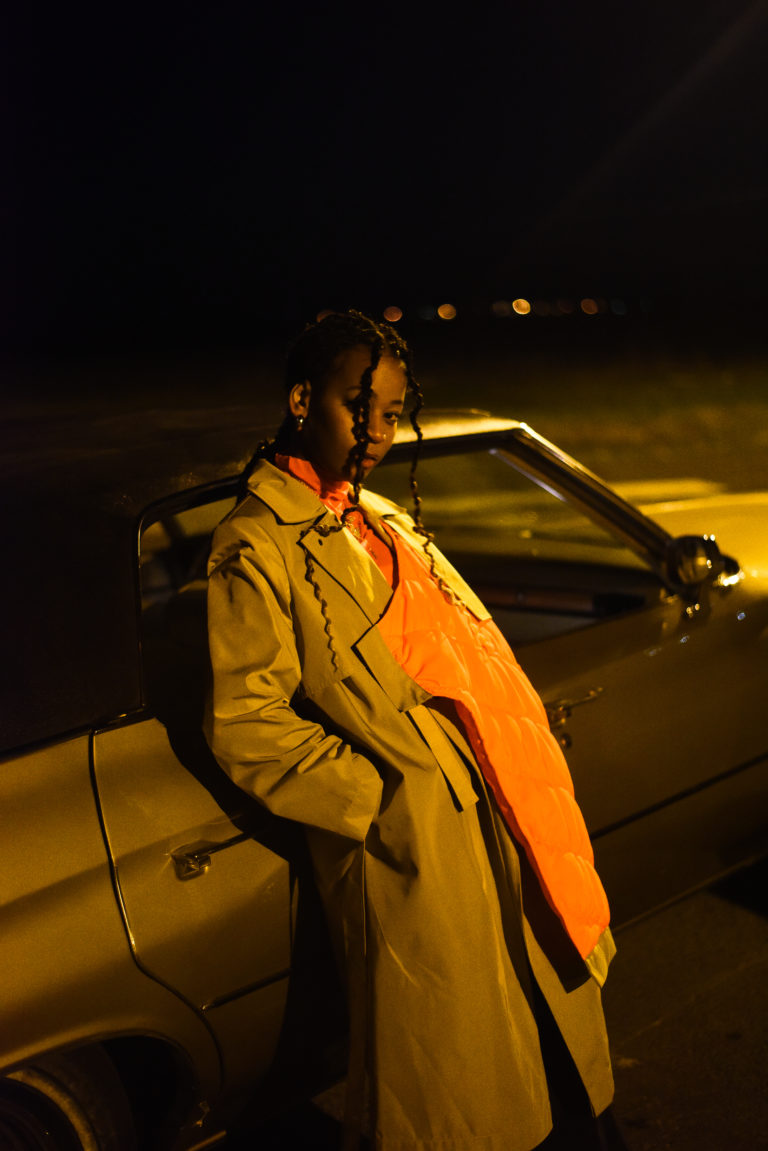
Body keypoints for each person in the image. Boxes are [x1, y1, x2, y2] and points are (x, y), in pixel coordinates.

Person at [205, 310, 622, 1151]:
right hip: (423, 857)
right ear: (300, 400)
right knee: (466, 1095)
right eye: (357, 406)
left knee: (559, 1076)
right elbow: (246, 720)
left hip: (503, 827)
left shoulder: (381, 517)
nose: (375, 431)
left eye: (391, 414)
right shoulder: (256, 543)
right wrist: (389, 796)